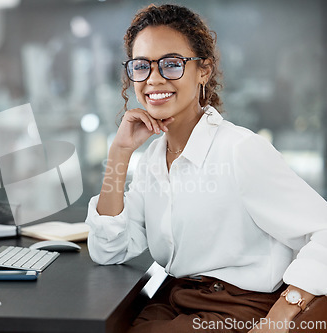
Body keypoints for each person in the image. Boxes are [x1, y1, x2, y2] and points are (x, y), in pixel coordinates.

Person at [85, 4, 327, 333]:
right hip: (176, 301)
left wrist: (282, 316)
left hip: (238, 308)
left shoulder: (239, 151)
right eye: (141, 66)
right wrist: (120, 153)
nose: (154, 78)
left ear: (204, 71)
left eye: (172, 64)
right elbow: (107, 250)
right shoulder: (155, 159)